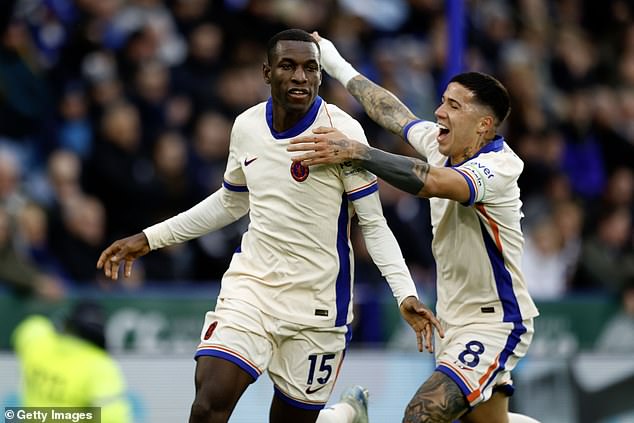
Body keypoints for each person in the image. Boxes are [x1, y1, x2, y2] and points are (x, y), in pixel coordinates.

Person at [96, 29, 443, 423]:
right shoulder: (247, 127)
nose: (300, 77)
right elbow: (231, 200)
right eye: (288, 66)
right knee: (208, 406)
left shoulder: (341, 133)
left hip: (318, 305)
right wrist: (150, 238)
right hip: (253, 289)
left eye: (310, 68)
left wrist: (404, 293)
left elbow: (374, 224)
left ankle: (342, 416)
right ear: (267, 72)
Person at [287, 33, 541, 423]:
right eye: (442, 101)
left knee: (422, 414)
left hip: (495, 321)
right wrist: (334, 61)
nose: (439, 112)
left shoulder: (499, 169)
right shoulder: (443, 147)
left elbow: (433, 183)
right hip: (455, 322)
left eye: (453, 106)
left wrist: (358, 151)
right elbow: (392, 112)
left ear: (483, 125)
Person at [11, 300, 132, 423]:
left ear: (69, 324)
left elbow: (32, 326)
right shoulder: (100, 366)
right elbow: (112, 418)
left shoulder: (38, 343)